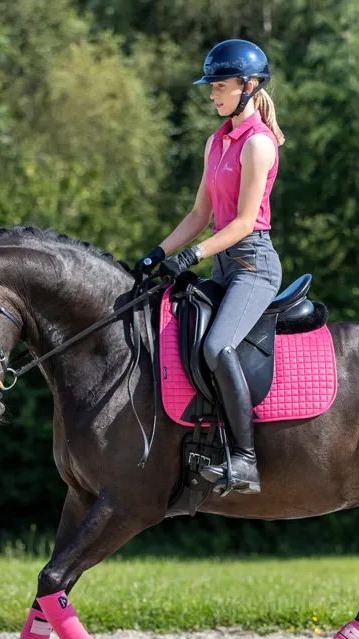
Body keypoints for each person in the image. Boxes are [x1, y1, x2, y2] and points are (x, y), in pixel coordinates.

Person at [135, 39, 286, 495]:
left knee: (218, 346)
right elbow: (199, 215)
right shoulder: (215, 141)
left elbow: (243, 222)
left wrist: (193, 255)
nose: (212, 94)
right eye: (211, 86)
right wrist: (156, 254)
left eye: (219, 86)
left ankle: (245, 460)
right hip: (222, 264)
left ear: (249, 86)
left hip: (253, 266)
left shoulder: (257, 145)